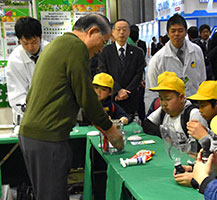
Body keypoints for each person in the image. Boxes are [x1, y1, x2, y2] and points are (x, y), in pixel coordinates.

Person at [19, 14, 124, 200]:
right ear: (92, 32)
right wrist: (111, 130)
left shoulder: (58, 44)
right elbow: (86, 95)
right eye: (104, 41)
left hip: (36, 135)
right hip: (47, 136)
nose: (101, 49)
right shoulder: (76, 47)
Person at [145, 13, 206, 112]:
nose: (177, 34)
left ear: (186, 32)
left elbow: (202, 79)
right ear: (168, 33)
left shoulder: (197, 51)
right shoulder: (157, 59)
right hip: (170, 109)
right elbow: (152, 92)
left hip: (194, 103)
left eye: (180, 31)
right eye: (173, 31)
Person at [97, 19, 146, 119]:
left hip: (131, 97)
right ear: (113, 32)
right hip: (112, 97)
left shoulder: (138, 52)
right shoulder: (105, 51)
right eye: (118, 29)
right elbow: (103, 72)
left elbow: (139, 73)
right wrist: (118, 90)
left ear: (129, 32)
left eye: (124, 29)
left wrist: (126, 91)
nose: (121, 32)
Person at [6, 17, 49, 127]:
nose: (31, 47)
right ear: (19, 40)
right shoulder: (14, 60)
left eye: (34, 42)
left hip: (51, 113)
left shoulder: (51, 51)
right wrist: (33, 110)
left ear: (41, 37)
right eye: (25, 43)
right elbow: (16, 94)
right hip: (26, 116)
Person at [143, 71, 207, 140]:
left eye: (168, 99)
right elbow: (147, 124)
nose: (164, 104)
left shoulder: (193, 114)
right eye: (161, 99)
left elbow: (201, 145)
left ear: (181, 97)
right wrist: (165, 134)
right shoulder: (163, 110)